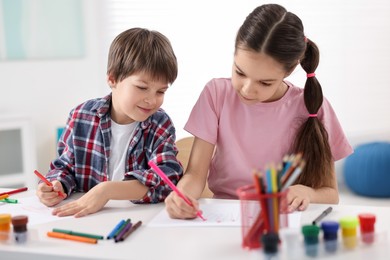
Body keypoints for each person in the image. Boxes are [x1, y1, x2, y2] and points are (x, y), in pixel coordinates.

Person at [165, 4, 353, 219]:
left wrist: (306, 192)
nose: (247, 89)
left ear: (289, 71)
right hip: (226, 217)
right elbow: (195, 176)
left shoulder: (312, 106)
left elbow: (330, 194)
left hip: (284, 218)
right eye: (239, 72)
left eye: (265, 82)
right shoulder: (216, 93)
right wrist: (181, 196)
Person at [36, 28, 183, 217]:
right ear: (112, 79)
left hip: (139, 220)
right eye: (142, 87)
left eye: (160, 91)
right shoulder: (81, 116)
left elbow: (167, 179)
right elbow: (64, 168)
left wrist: (106, 190)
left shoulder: (159, 123)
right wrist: (55, 185)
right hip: (86, 219)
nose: (151, 100)